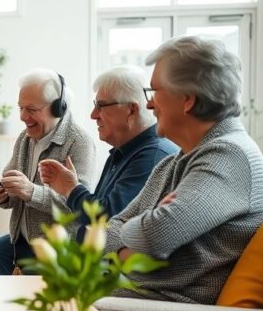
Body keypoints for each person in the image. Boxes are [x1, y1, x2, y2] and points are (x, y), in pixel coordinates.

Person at [104, 36, 263, 304]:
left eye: (154, 92)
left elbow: (154, 236)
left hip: (172, 308)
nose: (149, 104)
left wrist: (136, 234)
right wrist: (142, 230)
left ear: (187, 100)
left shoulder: (230, 155)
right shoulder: (176, 160)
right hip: (135, 295)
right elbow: (110, 227)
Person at [38, 65, 177, 234]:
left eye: (101, 106)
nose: (93, 115)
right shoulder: (123, 150)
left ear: (131, 110)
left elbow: (106, 220)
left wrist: (71, 188)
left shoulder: (151, 157)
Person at [0, 69, 97, 275]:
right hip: (23, 241)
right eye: (20, 108)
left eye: (31, 109)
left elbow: (79, 208)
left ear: (58, 107)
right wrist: (2, 195)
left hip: (58, 247)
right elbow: (14, 194)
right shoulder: (24, 138)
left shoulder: (80, 143)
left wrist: (31, 192)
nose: (22, 116)